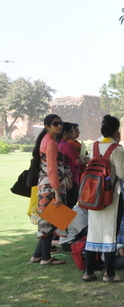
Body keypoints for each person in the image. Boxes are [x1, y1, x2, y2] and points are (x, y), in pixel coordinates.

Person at [83, 115, 124, 282]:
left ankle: (88, 272)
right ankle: (109, 273)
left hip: (93, 194)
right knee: (110, 233)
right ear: (116, 131)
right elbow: (122, 174)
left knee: (93, 232)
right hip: (111, 196)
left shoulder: (94, 145)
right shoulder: (116, 149)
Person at [30, 114, 69, 266]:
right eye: (55, 124)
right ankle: (45, 258)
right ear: (47, 126)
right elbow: (52, 169)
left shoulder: (47, 140)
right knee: (49, 222)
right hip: (51, 187)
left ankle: (37, 255)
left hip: (46, 185)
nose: (59, 126)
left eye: (60, 123)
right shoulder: (51, 143)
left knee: (48, 221)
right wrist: (57, 193)